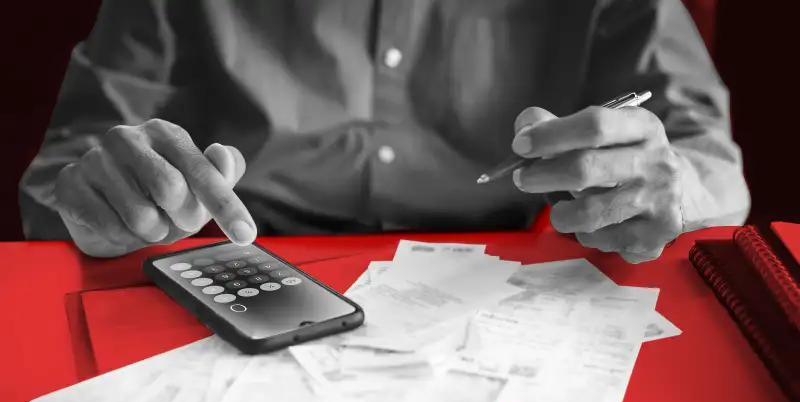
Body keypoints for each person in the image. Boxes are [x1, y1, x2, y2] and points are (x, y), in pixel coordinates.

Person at [19, 0, 750, 263]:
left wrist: (667, 182)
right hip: (236, 264)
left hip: (514, 276)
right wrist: (103, 200)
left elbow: (711, 158)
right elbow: (69, 167)